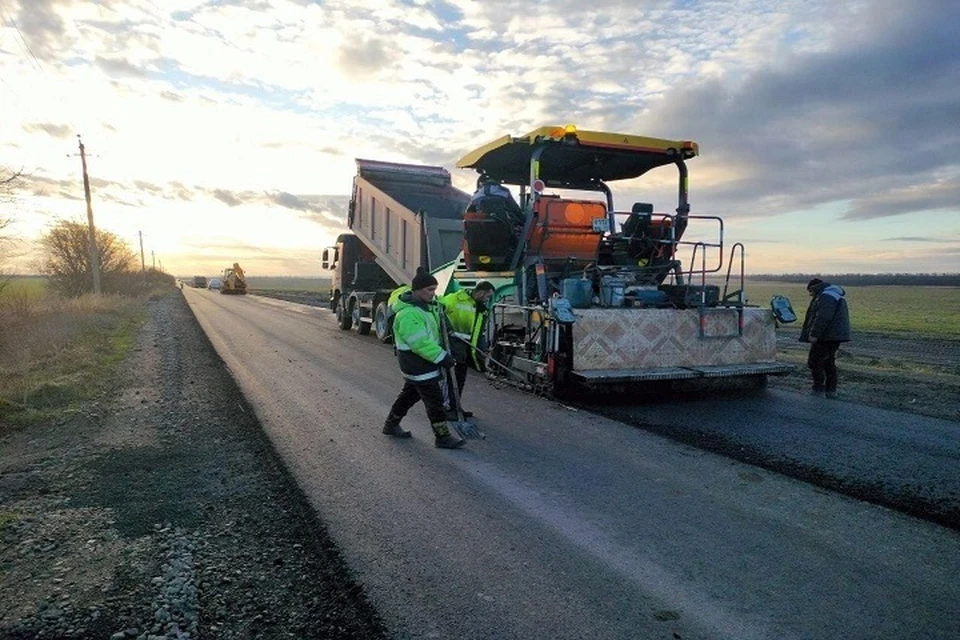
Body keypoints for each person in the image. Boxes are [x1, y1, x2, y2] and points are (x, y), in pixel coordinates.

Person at [382, 268, 465, 449]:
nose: (433, 294)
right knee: (434, 400)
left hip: (421, 362)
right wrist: (442, 357)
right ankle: (442, 437)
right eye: (429, 290)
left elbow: (439, 309)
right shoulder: (409, 314)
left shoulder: (426, 306)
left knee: (409, 395)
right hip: (417, 362)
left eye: (435, 290)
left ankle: (391, 424)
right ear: (417, 290)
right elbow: (419, 343)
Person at [439, 281, 495, 419]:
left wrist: (483, 349)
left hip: (465, 350)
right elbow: (438, 309)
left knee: (459, 380)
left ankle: (456, 407)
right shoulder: (455, 299)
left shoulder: (481, 309)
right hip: (451, 347)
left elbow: (479, 332)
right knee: (449, 380)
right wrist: (447, 327)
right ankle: (445, 408)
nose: (488, 300)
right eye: (488, 296)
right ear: (481, 293)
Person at [799, 278, 851, 398]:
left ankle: (818, 390)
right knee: (828, 362)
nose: (810, 294)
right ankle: (831, 391)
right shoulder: (833, 294)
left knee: (814, 362)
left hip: (826, 336)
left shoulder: (825, 296)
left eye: (810, 291)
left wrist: (814, 334)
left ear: (813, 288)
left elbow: (822, 317)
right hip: (834, 335)